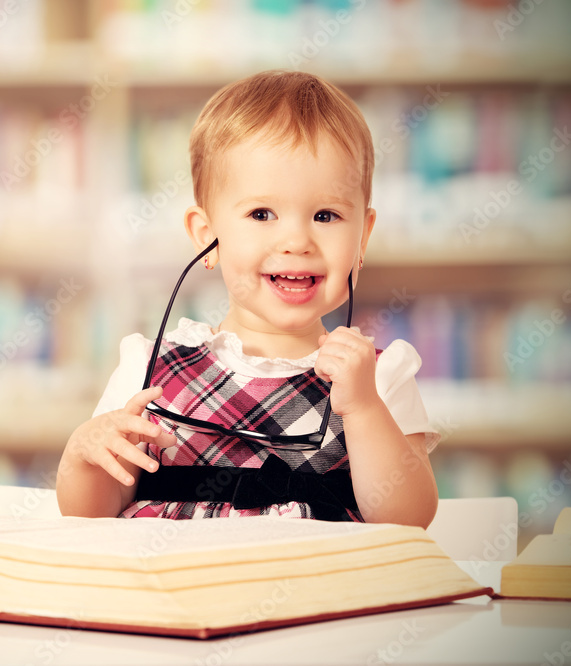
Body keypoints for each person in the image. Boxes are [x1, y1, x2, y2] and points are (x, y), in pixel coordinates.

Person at [56, 70, 439, 528]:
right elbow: (90, 514)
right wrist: (83, 456)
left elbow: (409, 519)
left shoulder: (378, 377)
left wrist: (362, 408)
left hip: (320, 595)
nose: (297, 240)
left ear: (363, 238)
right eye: (262, 214)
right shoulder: (149, 370)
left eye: (326, 215)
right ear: (208, 237)